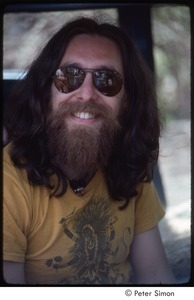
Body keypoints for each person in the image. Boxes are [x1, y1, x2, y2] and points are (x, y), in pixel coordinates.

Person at [3, 16, 175, 285]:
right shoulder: (8, 182)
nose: (86, 94)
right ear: (45, 91)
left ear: (127, 100)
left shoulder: (129, 168)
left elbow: (157, 280)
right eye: (69, 77)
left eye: (107, 80)